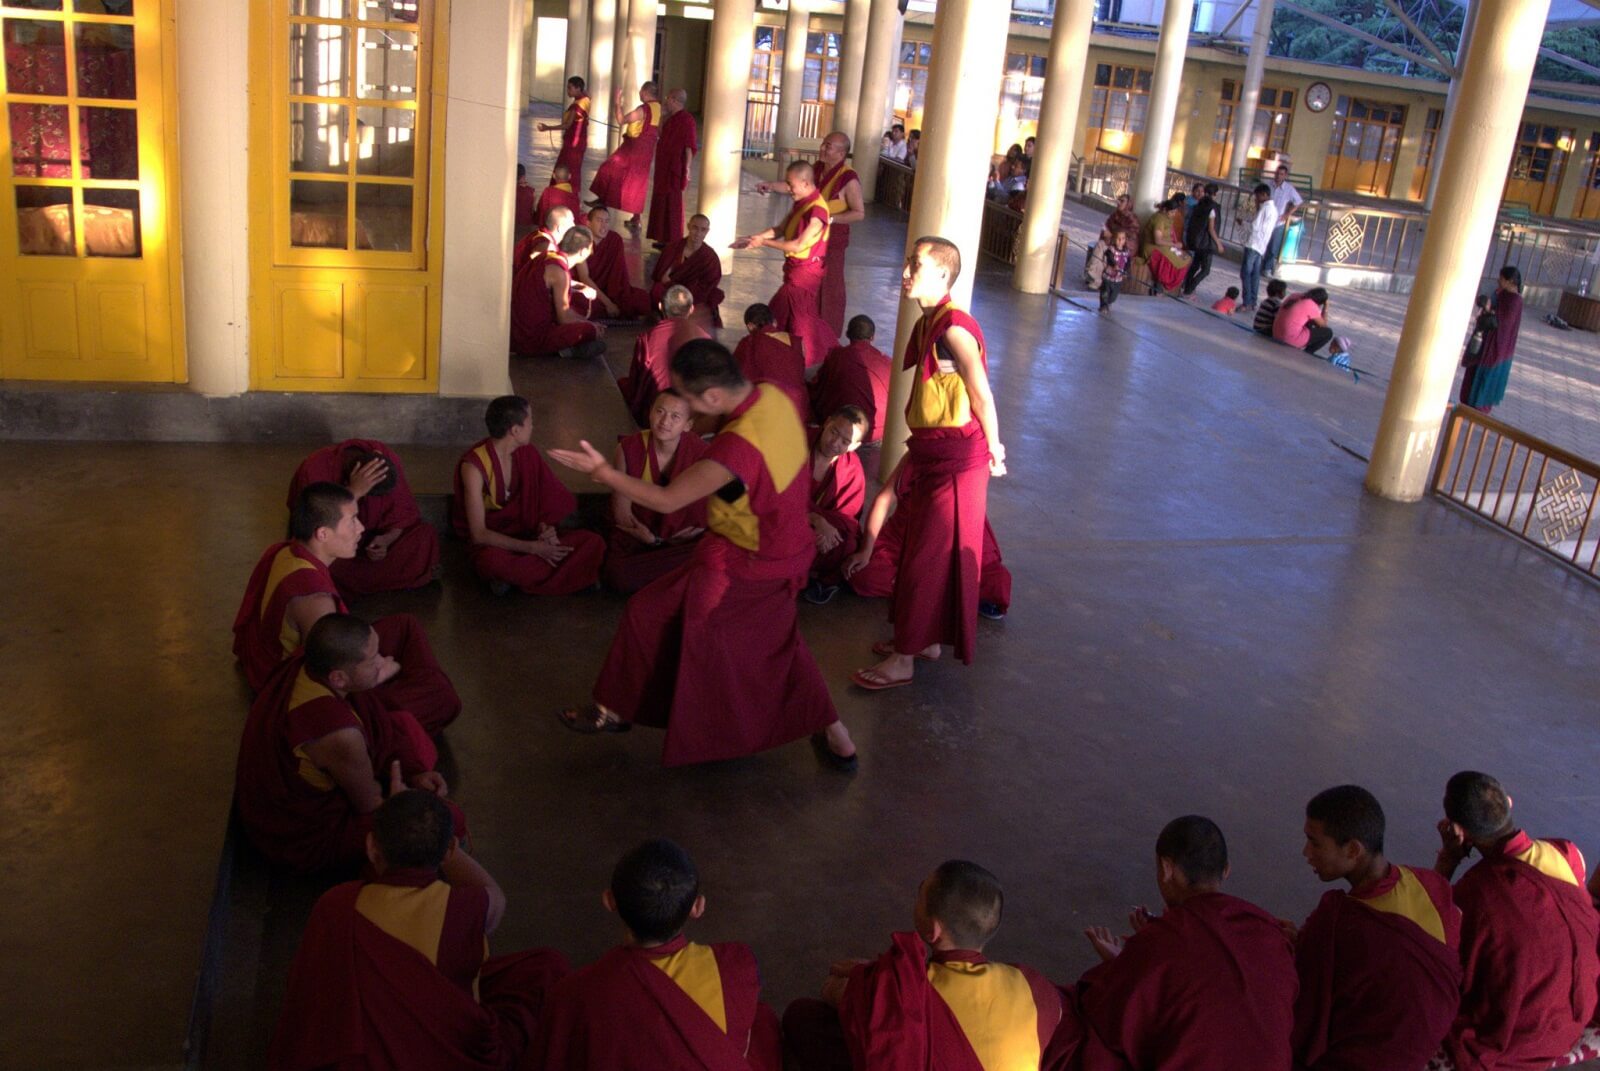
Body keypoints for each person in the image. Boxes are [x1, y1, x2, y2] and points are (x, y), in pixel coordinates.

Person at [549, 340, 858, 770]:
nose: (683, 412)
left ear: (712, 398)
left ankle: (825, 729)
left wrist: (603, 472)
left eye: (690, 401)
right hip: (773, 544)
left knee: (763, 648)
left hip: (748, 564)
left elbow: (666, 500)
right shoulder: (775, 395)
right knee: (651, 611)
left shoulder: (737, 448)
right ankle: (615, 708)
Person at [269, 790, 568, 1070]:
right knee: (546, 967)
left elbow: (308, 995)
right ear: (450, 848)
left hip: (355, 1057)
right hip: (442, 1055)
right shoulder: (463, 908)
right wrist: (446, 847)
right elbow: (496, 897)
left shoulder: (336, 905)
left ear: (372, 847)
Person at [848, 237, 1007, 691]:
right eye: (906, 262)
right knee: (923, 549)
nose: (905, 272)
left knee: (926, 560)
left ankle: (904, 659)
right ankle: (924, 640)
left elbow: (980, 392)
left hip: (958, 460)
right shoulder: (932, 319)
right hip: (932, 451)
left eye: (915, 265)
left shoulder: (954, 327)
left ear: (942, 275)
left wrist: (996, 446)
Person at [1045, 816, 1298, 1070]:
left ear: (1167, 868)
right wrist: (1136, 956)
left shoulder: (1163, 939)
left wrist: (1126, 964)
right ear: (1226, 870)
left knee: (1064, 1020)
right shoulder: (1267, 928)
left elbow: (1106, 1013)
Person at [235, 613, 463, 873]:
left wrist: (415, 771)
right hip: (305, 838)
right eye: (373, 659)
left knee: (402, 725)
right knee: (445, 820)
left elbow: (377, 723)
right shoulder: (339, 734)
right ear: (339, 679)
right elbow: (370, 804)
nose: (383, 662)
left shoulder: (307, 664)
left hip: (317, 781)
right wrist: (401, 799)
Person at [529, 838, 782, 1069]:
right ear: (697, 907)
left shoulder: (572, 994)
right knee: (761, 1019)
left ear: (609, 901)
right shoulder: (734, 966)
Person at [782, 860, 1060, 1070]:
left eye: (919, 894)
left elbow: (836, 993)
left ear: (933, 931)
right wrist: (871, 978)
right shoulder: (1030, 985)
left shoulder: (910, 989)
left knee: (802, 1016)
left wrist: (857, 988)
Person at [233, 482, 462, 733]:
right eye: (352, 520)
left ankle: (421, 682)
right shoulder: (315, 601)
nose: (361, 528)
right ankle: (413, 695)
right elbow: (331, 681)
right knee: (442, 699)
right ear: (323, 533)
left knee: (405, 626)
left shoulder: (286, 550)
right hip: (305, 692)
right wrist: (379, 673)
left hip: (316, 655)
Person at [1434, 771, 1600, 1070]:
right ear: (1509, 803)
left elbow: (1429, 941)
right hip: (1575, 1019)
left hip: (1517, 1039)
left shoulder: (1472, 894)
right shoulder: (1566, 853)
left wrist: (1448, 862)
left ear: (1458, 830)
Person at [1294, 785, 1462, 1071]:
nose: (1306, 852)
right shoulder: (1429, 882)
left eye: (1315, 843)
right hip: (1431, 1045)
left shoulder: (1338, 921)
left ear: (1353, 850)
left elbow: (1304, 1001)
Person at [452, 395, 605, 597]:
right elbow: (479, 534)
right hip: (498, 544)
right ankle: (566, 577)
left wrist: (545, 529)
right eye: (530, 421)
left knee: (593, 542)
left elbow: (545, 502)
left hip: (529, 535)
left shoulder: (527, 453)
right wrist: (533, 549)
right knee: (490, 562)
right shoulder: (474, 467)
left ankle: (515, 581)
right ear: (515, 430)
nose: (533, 426)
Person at [286, 440, 439, 597]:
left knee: (424, 537)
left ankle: (356, 583)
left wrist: (387, 539)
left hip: (368, 545)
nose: (361, 527)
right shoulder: (316, 467)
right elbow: (313, 527)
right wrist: (354, 492)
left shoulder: (385, 460)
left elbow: (402, 513)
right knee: (316, 561)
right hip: (336, 545)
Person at [755, 131, 862, 338]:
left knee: (828, 291)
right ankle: (797, 332)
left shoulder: (849, 179)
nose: (822, 148)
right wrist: (770, 185)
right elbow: (795, 185)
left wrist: (830, 219)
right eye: (823, 144)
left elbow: (859, 213)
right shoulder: (818, 170)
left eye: (828, 146)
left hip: (830, 243)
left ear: (841, 152)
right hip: (808, 243)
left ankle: (824, 335)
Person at [602, 390, 708, 594]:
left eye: (675, 416)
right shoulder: (628, 449)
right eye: (660, 411)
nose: (664, 421)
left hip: (686, 541)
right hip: (640, 538)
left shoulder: (702, 452)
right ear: (650, 412)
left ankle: (676, 578)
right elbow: (622, 514)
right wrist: (653, 540)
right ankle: (681, 580)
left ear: (688, 425)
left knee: (711, 552)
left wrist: (702, 528)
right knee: (617, 575)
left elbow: (733, 496)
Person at [733, 160, 833, 368]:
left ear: (805, 183)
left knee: (798, 322)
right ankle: (782, 353)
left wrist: (764, 242)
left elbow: (798, 246)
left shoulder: (818, 212)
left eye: (791, 184)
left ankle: (802, 358)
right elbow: (780, 228)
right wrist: (754, 238)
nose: (788, 189)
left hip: (804, 275)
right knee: (784, 315)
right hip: (795, 273)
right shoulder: (802, 201)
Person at [618, 284, 711, 426]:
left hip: (657, 413)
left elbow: (636, 385)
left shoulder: (647, 337)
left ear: (660, 306)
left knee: (622, 385)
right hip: (691, 419)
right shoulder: (705, 339)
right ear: (691, 309)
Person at [802, 407, 868, 605]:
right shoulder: (796, 442)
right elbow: (774, 494)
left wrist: (824, 532)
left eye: (845, 442)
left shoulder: (852, 467)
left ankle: (816, 577)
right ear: (827, 421)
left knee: (847, 544)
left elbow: (847, 518)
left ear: (856, 445)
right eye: (834, 432)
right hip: (787, 520)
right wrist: (815, 519)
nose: (835, 443)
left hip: (822, 533)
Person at [510, 226, 606, 360]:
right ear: (583, 251)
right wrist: (590, 326)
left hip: (513, 328)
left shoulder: (547, 256)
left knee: (580, 306)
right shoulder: (560, 272)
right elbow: (564, 318)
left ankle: (571, 347)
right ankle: (564, 351)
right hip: (530, 338)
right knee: (588, 331)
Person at [588, 80, 661, 232]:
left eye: (641, 91)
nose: (640, 93)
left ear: (646, 92)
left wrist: (617, 102)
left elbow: (621, 120)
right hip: (646, 150)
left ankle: (603, 201)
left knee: (608, 168)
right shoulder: (658, 107)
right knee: (638, 183)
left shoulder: (643, 109)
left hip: (634, 147)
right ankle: (636, 218)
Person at [810, 314, 891, 444]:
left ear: (847, 334)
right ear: (872, 337)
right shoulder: (886, 361)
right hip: (882, 429)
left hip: (846, 430)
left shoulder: (837, 355)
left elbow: (820, 388)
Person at [1459, 266, 1524, 415]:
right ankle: (1468, 402)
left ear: (1510, 281)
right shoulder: (1500, 293)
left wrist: (1490, 310)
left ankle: (1479, 406)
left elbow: (1504, 322)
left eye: (1501, 279)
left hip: (1497, 345)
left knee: (1486, 375)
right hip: (1484, 339)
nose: (1498, 281)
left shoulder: (1515, 300)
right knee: (1473, 370)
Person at [575, 205, 651, 320]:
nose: (604, 226)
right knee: (580, 303)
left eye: (607, 221)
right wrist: (608, 303)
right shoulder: (581, 241)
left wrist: (615, 298)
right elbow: (584, 278)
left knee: (643, 299)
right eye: (599, 221)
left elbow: (618, 275)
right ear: (588, 223)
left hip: (611, 290)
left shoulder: (614, 239)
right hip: (589, 289)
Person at [650, 212, 725, 327]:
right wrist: (670, 285)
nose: (698, 233)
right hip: (672, 292)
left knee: (711, 297)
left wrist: (671, 283)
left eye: (703, 230)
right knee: (657, 290)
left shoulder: (710, 256)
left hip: (694, 295)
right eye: (695, 228)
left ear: (707, 232)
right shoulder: (673, 248)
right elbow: (659, 275)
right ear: (688, 226)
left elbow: (708, 285)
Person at [733, 302, 808, 415]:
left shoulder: (748, 343)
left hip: (764, 409)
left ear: (750, 326)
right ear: (774, 322)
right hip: (797, 408)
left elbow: (736, 375)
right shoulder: (797, 342)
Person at [645, 88, 697, 247]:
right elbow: (661, 133)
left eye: (668, 97)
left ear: (674, 100)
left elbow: (689, 147)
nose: (665, 100)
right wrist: (662, 116)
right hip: (663, 167)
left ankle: (673, 240)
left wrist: (687, 169)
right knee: (661, 202)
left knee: (672, 205)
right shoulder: (670, 118)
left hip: (675, 169)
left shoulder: (687, 120)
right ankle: (662, 237)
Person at [537, 75, 591, 189]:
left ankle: (561, 191)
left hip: (573, 143)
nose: (568, 90)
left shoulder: (576, 107)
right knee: (575, 168)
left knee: (567, 168)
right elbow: (587, 93)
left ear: (578, 88)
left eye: (570, 88)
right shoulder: (586, 99)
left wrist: (548, 128)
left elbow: (567, 125)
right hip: (580, 141)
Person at [1139, 196, 1191, 294]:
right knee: (1176, 262)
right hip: (1153, 247)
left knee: (1185, 258)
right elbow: (1157, 241)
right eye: (1172, 212)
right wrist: (1174, 245)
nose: (1174, 214)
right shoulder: (1159, 220)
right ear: (1165, 210)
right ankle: (1159, 286)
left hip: (1164, 245)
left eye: (1175, 212)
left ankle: (1159, 286)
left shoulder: (1166, 218)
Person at [1240, 182, 1279, 310]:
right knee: (1255, 274)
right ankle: (1253, 301)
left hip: (1253, 243)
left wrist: (1243, 223)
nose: (1256, 199)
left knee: (1246, 273)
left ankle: (1247, 302)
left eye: (1257, 197)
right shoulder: (1273, 209)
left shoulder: (1265, 208)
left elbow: (1255, 227)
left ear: (1264, 195)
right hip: (1261, 245)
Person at [1262, 163, 1303, 277]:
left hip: (1278, 222)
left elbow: (1298, 201)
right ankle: (1260, 265)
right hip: (1265, 219)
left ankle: (1267, 268)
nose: (1278, 176)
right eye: (1277, 173)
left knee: (1273, 246)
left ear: (1285, 176)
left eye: (1281, 174)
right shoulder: (1268, 185)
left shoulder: (1289, 189)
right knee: (1262, 243)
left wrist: (1287, 214)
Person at [1182, 182, 1222, 296]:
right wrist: (1218, 243)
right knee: (1205, 270)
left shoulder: (1198, 205)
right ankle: (1189, 289)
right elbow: (1211, 228)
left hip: (1196, 241)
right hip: (1206, 243)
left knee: (1195, 265)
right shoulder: (1212, 208)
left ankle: (1185, 285)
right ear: (1215, 194)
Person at [1273, 288, 1333, 355]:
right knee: (1328, 333)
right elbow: (1323, 325)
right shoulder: (1310, 304)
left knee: (1311, 322)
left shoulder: (1294, 295)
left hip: (1276, 334)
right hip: (1288, 340)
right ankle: (1307, 353)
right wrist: (1326, 306)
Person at [535, 164, 583, 232]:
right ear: (569, 176)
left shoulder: (548, 192)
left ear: (554, 176)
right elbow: (576, 215)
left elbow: (541, 210)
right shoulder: (574, 194)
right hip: (569, 231)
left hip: (551, 229)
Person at [1098, 230, 1131, 312]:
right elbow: (1109, 257)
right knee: (1105, 292)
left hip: (1118, 278)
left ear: (1125, 240)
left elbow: (1128, 262)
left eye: (1122, 239)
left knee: (1113, 296)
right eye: (1118, 239)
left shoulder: (1127, 252)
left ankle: (1109, 303)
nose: (1120, 241)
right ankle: (1103, 305)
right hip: (1108, 277)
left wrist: (1126, 271)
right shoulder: (1111, 249)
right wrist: (1114, 264)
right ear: (1114, 239)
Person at [514, 163, 537, 234]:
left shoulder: (512, 191)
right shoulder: (532, 191)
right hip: (527, 225)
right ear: (524, 175)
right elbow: (533, 210)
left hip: (514, 224)